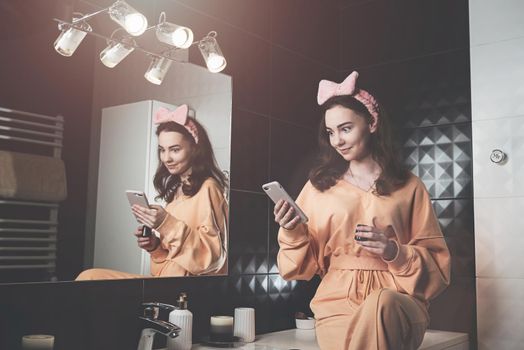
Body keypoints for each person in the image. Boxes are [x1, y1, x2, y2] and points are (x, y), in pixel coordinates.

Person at [274, 72, 450, 349]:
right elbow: (299, 269)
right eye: (331, 132)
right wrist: (291, 230)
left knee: (383, 303)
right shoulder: (318, 187)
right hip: (337, 301)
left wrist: (393, 251)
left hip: (399, 295)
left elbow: (438, 266)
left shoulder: (409, 186)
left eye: (346, 129)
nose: (337, 141)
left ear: (371, 123)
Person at [77, 104, 228, 280]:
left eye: (175, 149)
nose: (166, 158)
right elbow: (163, 268)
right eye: (162, 150)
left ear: (195, 148)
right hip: (164, 283)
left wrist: (166, 223)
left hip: (187, 292)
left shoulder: (209, 188)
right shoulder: (176, 195)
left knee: (89, 279)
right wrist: (155, 247)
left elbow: (211, 261)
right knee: (89, 276)